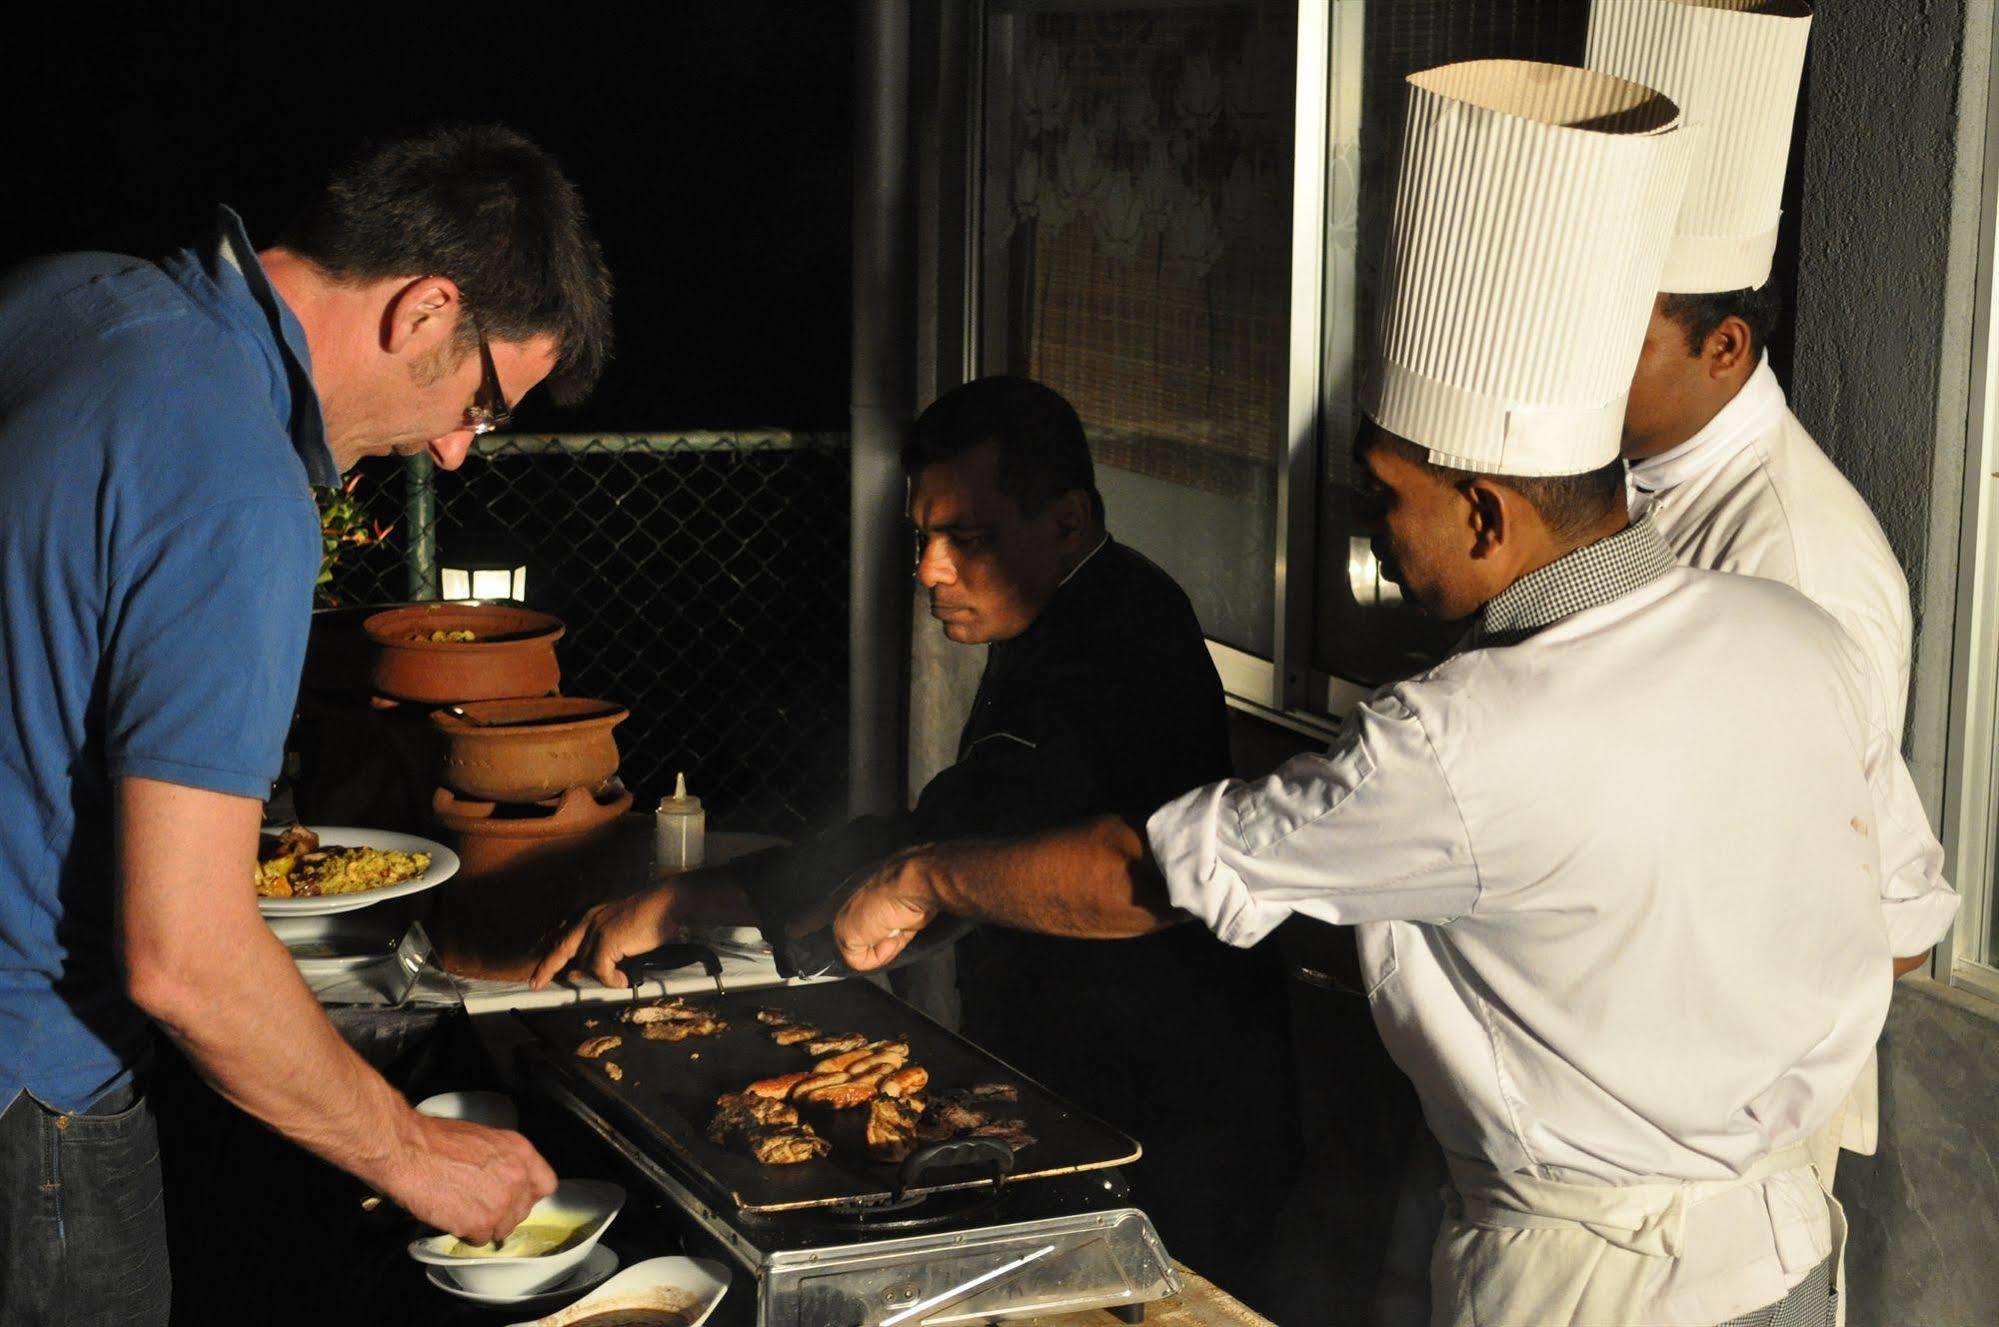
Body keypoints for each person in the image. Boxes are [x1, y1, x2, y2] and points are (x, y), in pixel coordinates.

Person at [829, 59, 1958, 1327]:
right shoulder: (1787, 633)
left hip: (1590, 1292)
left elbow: (1142, 877)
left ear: (1484, 509)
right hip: (1787, 1267)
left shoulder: (1465, 739)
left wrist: (924, 876)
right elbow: (1901, 917)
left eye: (1384, 493)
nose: (1366, 530)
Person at [0, 123, 613, 1324]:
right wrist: (418, 1154)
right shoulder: (236, 482)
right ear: (427, 308)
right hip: (33, 1107)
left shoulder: (67, 299)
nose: (452, 450)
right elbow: (186, 959)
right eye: (484, 405)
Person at [534, 374, 1299, 1305]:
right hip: (1094, 1075)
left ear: (1065, 523)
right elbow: (946, 842)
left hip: (1164, 1111)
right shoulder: (1071, 607)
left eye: (965, 539)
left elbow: (940, 846)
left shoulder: (1112, 642)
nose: (930, 569)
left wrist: (684, 897)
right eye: (922, 538)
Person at [1586, 0, 1933, 1194]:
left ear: (1724, 348)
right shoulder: (1615, 483)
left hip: (1720, 1124)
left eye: (1617, 334)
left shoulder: (1794, 554)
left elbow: (1836, 908)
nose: (1578, 356)